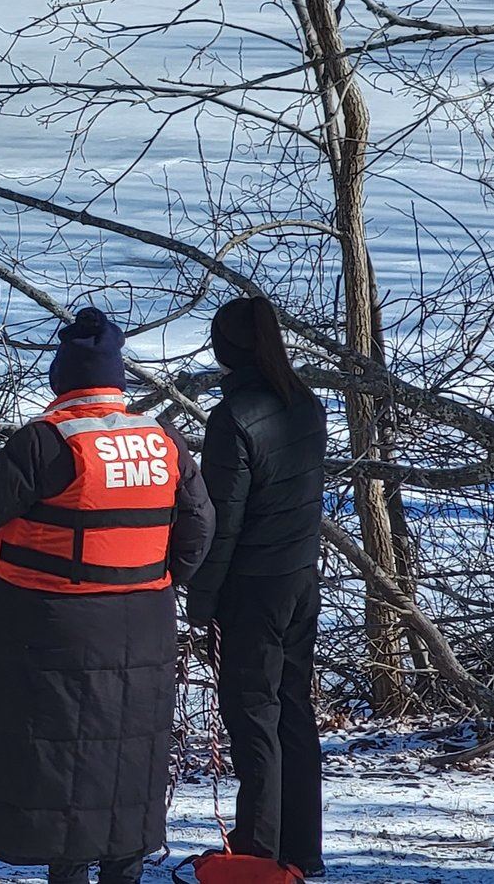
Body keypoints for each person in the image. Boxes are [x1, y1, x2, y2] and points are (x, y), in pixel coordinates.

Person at [0, 308, 215, 884]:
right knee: (128, 757)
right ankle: (124, 870)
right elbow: (198, 529)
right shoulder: (162, 438)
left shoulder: (50, 442)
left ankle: (69, 873)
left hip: (54, 627)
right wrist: (146, 577)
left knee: (65, 761)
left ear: (61, 378)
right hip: (145, 622)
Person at [183, 297, 327, 879]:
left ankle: (257, 851)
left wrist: (202, 599)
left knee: (252, 717)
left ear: (226, 349)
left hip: (253, 590)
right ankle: (301, 848)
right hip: (300, 579)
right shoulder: (306, 404)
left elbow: (222, 521)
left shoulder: (233, 418)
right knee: (293, 709)